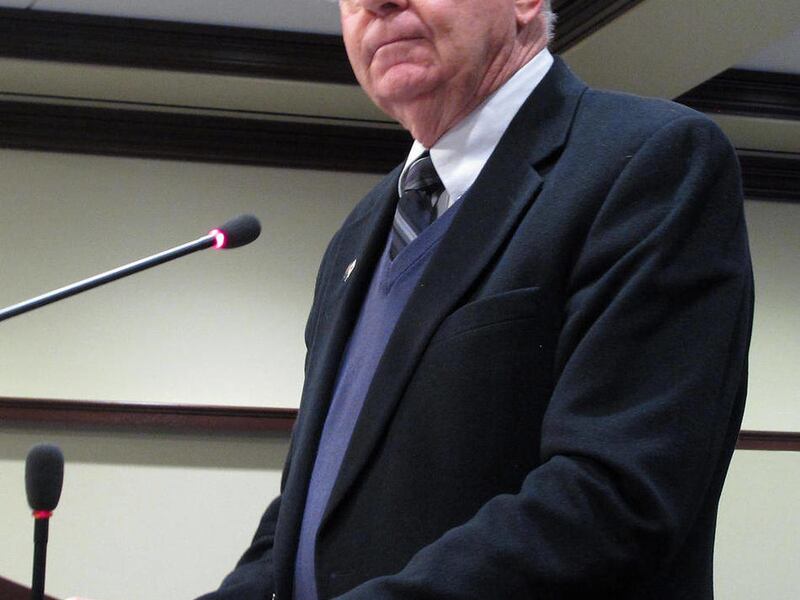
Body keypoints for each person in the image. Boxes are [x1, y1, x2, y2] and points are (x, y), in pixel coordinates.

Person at [71, 1, 754, 599]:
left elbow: (612, 499)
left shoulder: (649, 164)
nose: (374, 2)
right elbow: (309, 516)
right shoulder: (356, 237)